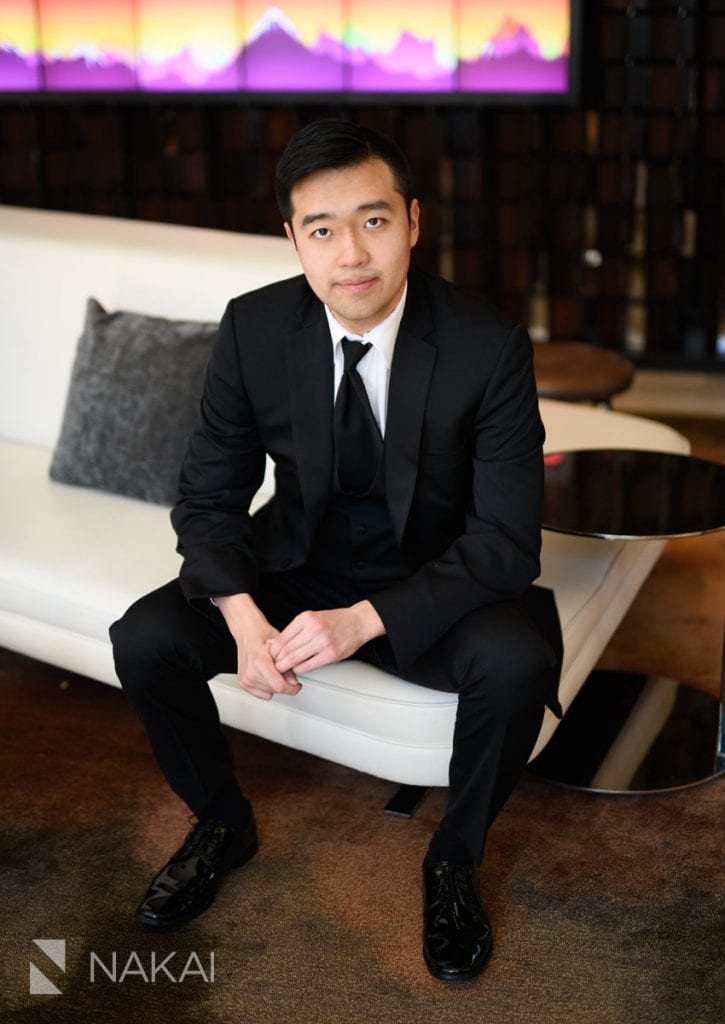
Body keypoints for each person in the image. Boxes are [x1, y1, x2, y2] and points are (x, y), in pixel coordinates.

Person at [110, 118, 562, 983]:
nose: (351, 254)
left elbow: (506, 542)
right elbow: (208, 499)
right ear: (292, 238)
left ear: (413, 222)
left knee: (516, 663)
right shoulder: (254, 327)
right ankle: (221, 820)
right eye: (321, 229)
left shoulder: (486, 345)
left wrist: (363, 621)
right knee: (146, 636)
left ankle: (452, 859)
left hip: (430, 579)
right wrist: (242, 618)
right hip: (297, 564)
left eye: (373, 221)